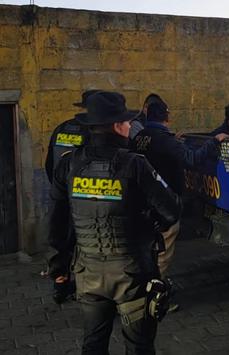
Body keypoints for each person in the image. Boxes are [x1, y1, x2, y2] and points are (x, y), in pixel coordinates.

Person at [48, 91, 182, 354]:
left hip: (88, 274)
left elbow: (57, 222)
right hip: (132, 273)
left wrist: (58, 268)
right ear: (116, 126)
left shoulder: (68, 165)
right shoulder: (136, 164)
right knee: (139, 345)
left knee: (93, 344)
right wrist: (147, 221)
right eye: (126, 121)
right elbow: (171, 210)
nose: (130, 125)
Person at [131, 99, 229, 288]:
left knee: (147, 248)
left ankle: (146, 283)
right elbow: (192, 159)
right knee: (162, 250)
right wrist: (214, 141)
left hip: (144, 201)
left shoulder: (140, 137)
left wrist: (174, 142)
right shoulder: (164, 140)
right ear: (167, 116)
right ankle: (155, 294)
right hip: (164, 203)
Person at [45, 89, 99, 304]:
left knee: (60, 240)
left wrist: (57, 187)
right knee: (87, 242)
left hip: (61, 193)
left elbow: (50, 162)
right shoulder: (93, 133)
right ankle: (90, 287)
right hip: (84, 196)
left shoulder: (61, 128)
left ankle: (60, 284)